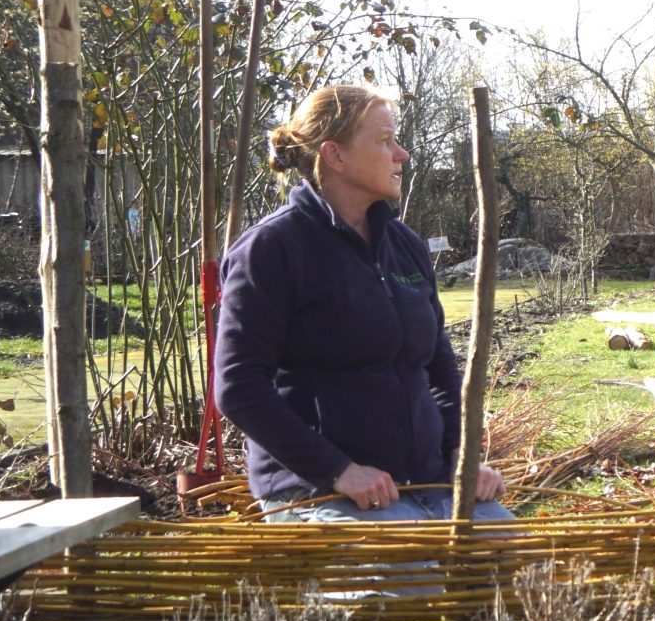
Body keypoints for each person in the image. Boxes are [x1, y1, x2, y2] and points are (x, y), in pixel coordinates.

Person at [215, 84, 512, 524]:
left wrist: (459, 455)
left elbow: (439, 366)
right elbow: (238, 385)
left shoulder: (404, 244)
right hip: (318, 492)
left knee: (516, 567)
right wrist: (337, 471)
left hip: (425, 482)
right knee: (412, 584)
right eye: (385, 141)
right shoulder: (272, 249)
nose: (402, 154)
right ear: (335, 156)